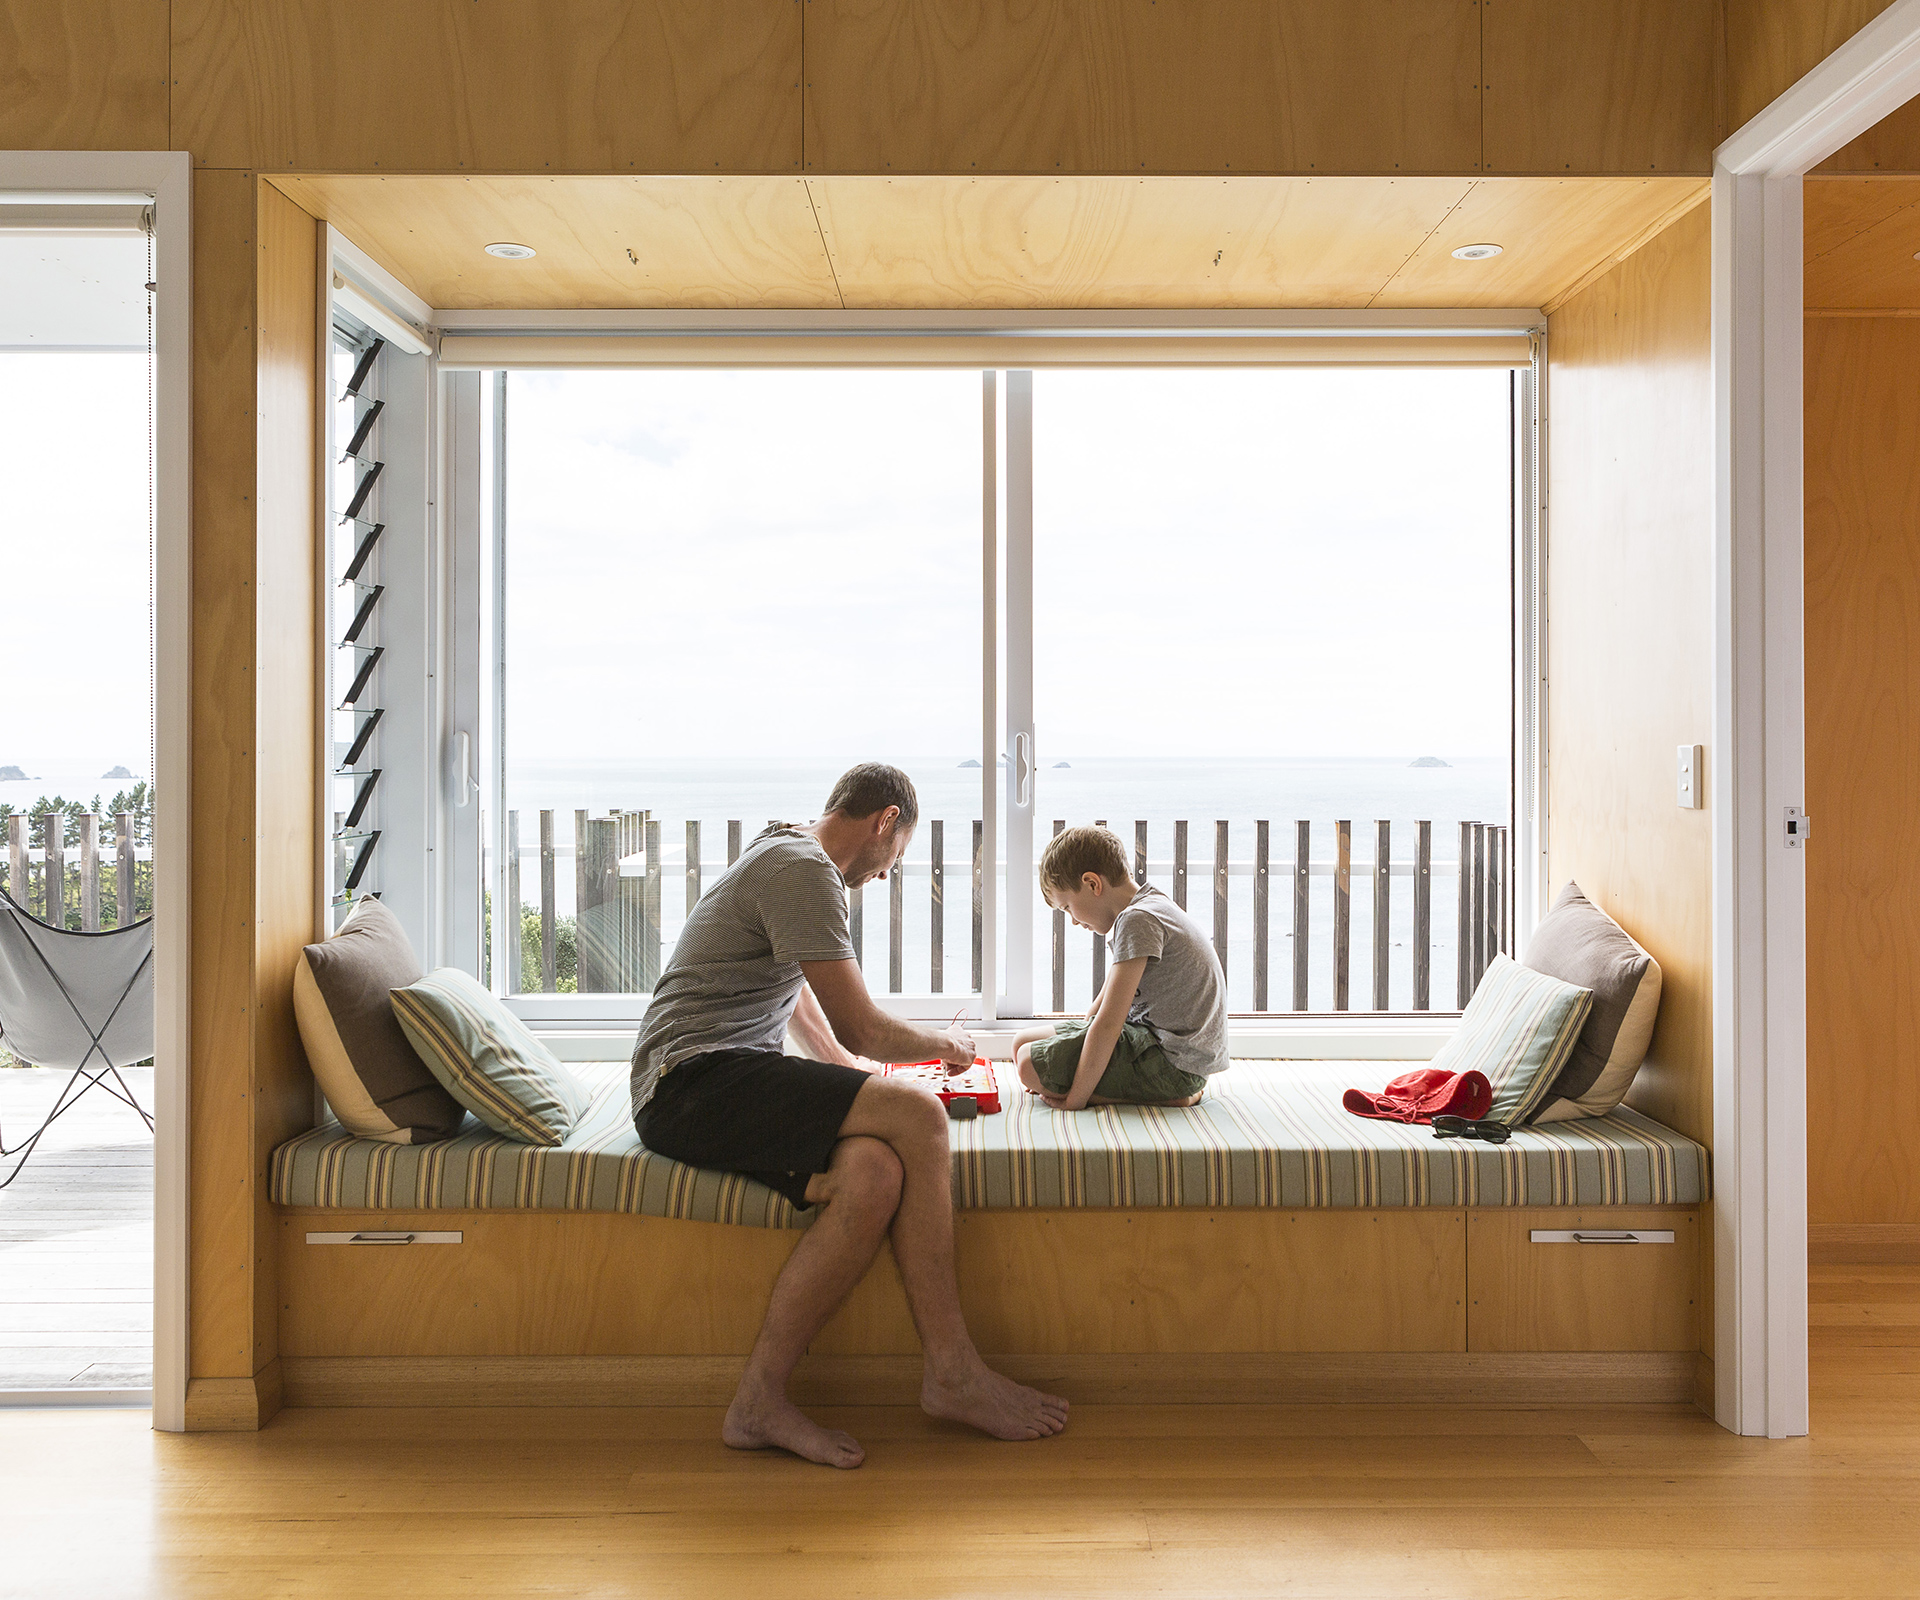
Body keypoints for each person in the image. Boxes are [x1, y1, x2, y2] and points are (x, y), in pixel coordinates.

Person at [631, 762, 1069, 1469]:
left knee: (872, 1172)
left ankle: (756, 1402)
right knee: (921, 1115)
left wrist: (845, 1073)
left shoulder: (785, 850)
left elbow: (797, 992)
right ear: (885, 821)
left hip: (709, 1083)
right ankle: (953, 1370)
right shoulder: (804, 869)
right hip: (688, 1082)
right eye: (899, 851)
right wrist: (946, 1047)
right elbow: (862, 1026)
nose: (889, 871)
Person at [1011, 824, 1230, 1111]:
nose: (1073, 920)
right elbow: (1100, 1009)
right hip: (1152, 1041)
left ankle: (1168, 1096)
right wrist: (1075, 1040)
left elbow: (1108, 1025)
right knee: (1020, 1042)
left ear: (1092, 884)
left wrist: (1077, 1099)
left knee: (1028, 1064)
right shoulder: (1146, 904)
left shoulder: (1138, 920)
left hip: (1174, 1063)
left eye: (1067, 907)